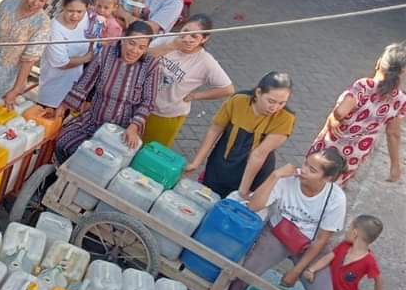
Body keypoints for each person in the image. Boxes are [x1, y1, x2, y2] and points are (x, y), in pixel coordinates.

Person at [225, 149, 348, 290]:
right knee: (242, 275)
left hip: (309, 245)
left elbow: (321, 240)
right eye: (305, 163)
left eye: (312, 170)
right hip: (277, 234)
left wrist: (296, 271)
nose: (303, 170)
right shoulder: (287, 179)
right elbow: (253, 206)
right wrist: (275, 176)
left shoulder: (336, 199)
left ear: (328, 178)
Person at [53, 21, 160, 162]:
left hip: (124, 129)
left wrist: (134, 126)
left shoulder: (151, 65)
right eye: (131, 43)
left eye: (141, 47)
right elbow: (85, 82)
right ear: (123, 39)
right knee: (64, 142)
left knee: (106, 162)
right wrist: (64, 106)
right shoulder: (106, 53)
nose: (135, 51)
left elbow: (148, 101)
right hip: (94, 119)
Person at [184, 72, 295, 200]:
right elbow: (215, 129)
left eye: (282, 103)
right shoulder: (238, 101)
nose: (275, 108)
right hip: (223, 160)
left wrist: (243, 190)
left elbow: (259, 154)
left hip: (255, 172)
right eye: (271, 101)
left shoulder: (286, 118)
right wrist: (196, 162)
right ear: (258, 93)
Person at [309, 42, 405, 183]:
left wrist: (334, 118)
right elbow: (393, 134)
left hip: (331, 145)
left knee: (311, 178)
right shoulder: (400, 100)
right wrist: (395, 166)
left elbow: (341, 112)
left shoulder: (363, 86)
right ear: (402, 72)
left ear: (379, 63)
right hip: (355, 154)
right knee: (333, 189)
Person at [142, 15, 234, 147]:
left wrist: (196, 96)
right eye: (185, 32)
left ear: (204, 39)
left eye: (194, 37)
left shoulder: (205, 61)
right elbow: (143, 54)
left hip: (166, 114)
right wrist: (171, 46)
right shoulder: (169, 38)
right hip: (140, 103)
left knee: (150, 151)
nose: (187, 39)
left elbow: (228, 89)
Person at [303, 214, 383, 290]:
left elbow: (378, 279)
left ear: (355, 233)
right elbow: (328, 258)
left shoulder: (369, 261)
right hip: (326, 288)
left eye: (349, 228)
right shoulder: (343, 246)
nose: (346, 231)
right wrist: (312, 269)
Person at [29, 0, 95, 109]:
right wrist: (87, 58)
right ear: (63, 6)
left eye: (79, 11)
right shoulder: (55, 29)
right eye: (70, 11)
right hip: (54, 90)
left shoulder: (86, 17)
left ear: (87, 8)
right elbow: (62, 63)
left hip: (74, 87)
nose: (75, 15)